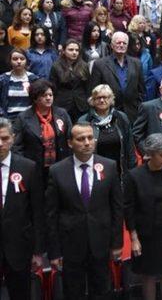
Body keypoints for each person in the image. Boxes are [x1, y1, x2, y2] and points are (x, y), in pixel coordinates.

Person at [45, 122, 123, 299]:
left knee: (102, 291)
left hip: (101, 243)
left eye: (90, 138)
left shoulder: (109, 166)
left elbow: (117, 208)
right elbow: (51, 214)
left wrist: (117, 243)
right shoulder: (57, 171)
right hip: (70, 245)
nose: (87, 142)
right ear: (70, 143)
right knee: (73, 292)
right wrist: (54, 251)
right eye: (81, 139)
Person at [124, 134, 162, 300]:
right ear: (150, 153)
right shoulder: (134, 176)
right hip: (146, 233)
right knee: (147, 274)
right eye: (161, 154)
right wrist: (134, 237)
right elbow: (129, 209)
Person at [0, 117, 45, 299]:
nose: (0, 143)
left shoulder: (28, 168)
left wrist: (37, 251)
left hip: (19, 249)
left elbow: (37, 212)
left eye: (4, 138)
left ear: (13, 138)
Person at [78, 84, 135, 175]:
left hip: (120, 170)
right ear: (93, 100)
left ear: (111, 99)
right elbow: (80, 149)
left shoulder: (121, 118)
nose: (102, 100)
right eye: (98, 98)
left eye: (105, 97)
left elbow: (130, 146)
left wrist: (132, 169)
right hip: (94, 171)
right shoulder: (84, 120)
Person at [90, 31, 145, 124]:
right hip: (107, 112)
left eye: (124, 43)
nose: (121, 45)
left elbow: (141, 90)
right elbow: (94, 91)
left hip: (132, 113)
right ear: (112, 45)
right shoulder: (99, 64)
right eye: (118, 43)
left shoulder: (137, 63)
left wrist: (138, 106)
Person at [49, 39, 90, 122]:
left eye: (77, 50)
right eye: (71, 50)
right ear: (63, 51)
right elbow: (53, 88)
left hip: (81, 104)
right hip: (62, 104)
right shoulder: (56, 66)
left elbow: (88, 86)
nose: (74, 52)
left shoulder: (84, 65)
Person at [0, 48, 40, 120]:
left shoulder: (33, 79)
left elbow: (38, 100)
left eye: (22, 59)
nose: (19, 61)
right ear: (10, 61)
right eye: (15, 59)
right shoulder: (3, 79)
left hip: (29, 119)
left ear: (26, 61)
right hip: (8, 119)